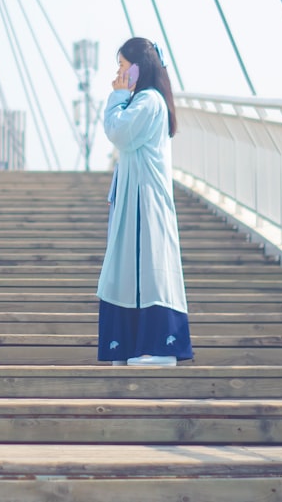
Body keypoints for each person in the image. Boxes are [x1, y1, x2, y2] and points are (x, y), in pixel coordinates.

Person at [97, 37, 193, 367]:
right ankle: (131, 346)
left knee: (148, 269)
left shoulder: (148, 101)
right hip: (135, 198)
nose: (119, 73)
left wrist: (117, 96)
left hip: (144, 201)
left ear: (138, 67)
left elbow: (118, 132)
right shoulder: (144, 100)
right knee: (132, 270)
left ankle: (160, 348)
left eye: (123, 66)